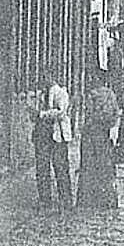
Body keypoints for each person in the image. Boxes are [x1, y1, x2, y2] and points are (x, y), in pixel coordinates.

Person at [77, 72, 120, 210]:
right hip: (104, 135)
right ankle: (107, 201)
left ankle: (89, 200)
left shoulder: (92, 95)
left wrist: (85, 128)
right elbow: (115, 115)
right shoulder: (111, 95)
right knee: (105, 168)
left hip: (91, 135)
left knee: (89, 167)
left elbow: (89, 115)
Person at [34, 74, 74, 212]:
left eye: (44, 79)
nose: (42, 82)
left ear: (51, 78)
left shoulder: (60, 93)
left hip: (58, 136)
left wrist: (42, 114)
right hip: (43, 135)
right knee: (42, 168)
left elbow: (61, 112)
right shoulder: (41, 95)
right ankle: (45, 199)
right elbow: (36, 113)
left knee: (61, 167)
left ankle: (66, 199)